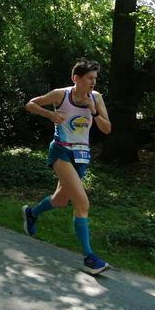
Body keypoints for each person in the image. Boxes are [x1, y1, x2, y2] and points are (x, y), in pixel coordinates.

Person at [22, 59, 112, 275]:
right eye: (89, 78)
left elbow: (107, 129)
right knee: (82, 202)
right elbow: (31, 104)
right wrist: (50, 115)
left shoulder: (96, 98)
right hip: (61, 151)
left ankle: (32, 213)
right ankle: (89, 258)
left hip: (82, 156)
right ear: (76, 78)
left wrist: (94, 111)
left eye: (95, 79)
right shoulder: (60, 95)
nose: (93, 82)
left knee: (61, 200)